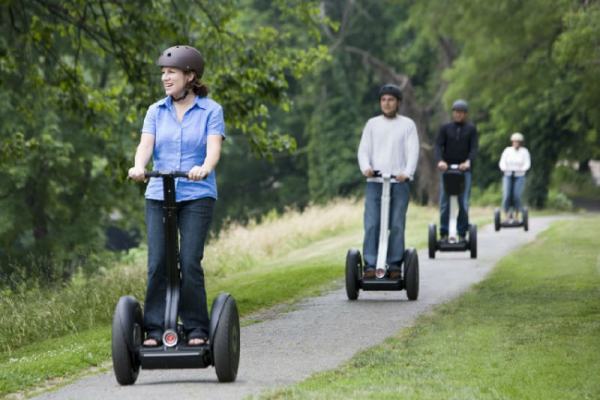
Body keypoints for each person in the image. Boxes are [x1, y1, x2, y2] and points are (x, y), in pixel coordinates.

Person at [128, 45, 225, 347]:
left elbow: (213, 150)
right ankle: (155, 330)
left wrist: (204, 167)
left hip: (197, 194)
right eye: (163, 73)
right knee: (159, 262)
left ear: (190, 75)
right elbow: (146, 145)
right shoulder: (155, 111)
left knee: (189, 260)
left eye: (171, 72)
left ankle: (196, 327)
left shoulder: (211, 110)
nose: (166, 78)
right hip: (159, 194)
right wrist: (139, 166)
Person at [357, 84, 419, 279]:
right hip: (375, 182)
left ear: (398, 102)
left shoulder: (407, 124)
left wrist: (407, 172)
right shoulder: (372, 124)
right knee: (372, 224)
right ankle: (370, 265)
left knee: (397, 224)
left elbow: (413, 151)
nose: (387, 103)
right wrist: (366, 168)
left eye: (391, 100)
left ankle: (393, 266)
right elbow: (363, 150)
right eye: (383, 100)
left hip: (399, 182)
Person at [434, 99, 478, 241]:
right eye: (456, 112)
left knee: (463, 202)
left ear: (465, 114)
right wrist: (440, 161)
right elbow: (438, 146)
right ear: (453, 113)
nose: (458, 115)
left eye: (461, 112)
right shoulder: (445, 128)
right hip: (447, 170)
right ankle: (444, 232)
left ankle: (462, 232)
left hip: (464, 171)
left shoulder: (471, 129)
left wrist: (468, 162)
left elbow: (474, 149)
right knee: (444, 201)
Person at [499, 132, 531, 221]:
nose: (516, 143)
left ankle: (517, 214)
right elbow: (502, 162)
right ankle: (506, 215)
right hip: (508, 175)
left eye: (518, 142)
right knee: (507, 195)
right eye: (514, 141)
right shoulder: (507, 150)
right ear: (512, 142)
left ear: (521, 143)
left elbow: (527, 163)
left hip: (519, 176)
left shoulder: (524, 151)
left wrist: (523, 169)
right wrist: (504, 168)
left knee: (516, 195)